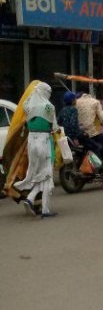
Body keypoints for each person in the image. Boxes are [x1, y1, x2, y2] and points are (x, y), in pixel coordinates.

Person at [13, 82, 60, 218]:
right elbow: (55, 127)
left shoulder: (27, 104)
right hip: (44, 141)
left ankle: (30, 199)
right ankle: (45, 210)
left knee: (39, 175)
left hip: (31, 141)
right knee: (47, 176)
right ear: (45, 92)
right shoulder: (48, 106)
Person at [76, 89, 103, 163]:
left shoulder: (76, 102)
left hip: (80, 132)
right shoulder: (95, 102)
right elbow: (102, 117)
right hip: (91, 132)